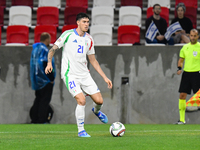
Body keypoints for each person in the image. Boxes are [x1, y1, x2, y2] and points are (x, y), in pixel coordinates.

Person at [45, 13, 112, 137]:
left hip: (85, 75)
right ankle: (81, 130)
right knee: (81, 100)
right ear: (78, 23)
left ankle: (96, 111)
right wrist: (49, 63)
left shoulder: (89, 39)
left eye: (88, 22)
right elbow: (53, 49)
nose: (87, 24)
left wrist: (105, 77)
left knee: (99, 101)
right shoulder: (68, 35)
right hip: (70, 75)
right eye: (84, 22)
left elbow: (93, 60)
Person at [175, 29, 200, 124]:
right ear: (189, 36)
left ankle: (193, 106)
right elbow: (181, 60)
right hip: (186, 74)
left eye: (195, 36)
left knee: (198, 97)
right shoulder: (185, 47)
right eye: (191, 36)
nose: (193, 38)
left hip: (197, 74)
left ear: (198, 36)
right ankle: (182, 120)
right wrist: (179, 68)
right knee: (182, 95)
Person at [30, 32, 56, 124]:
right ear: (47, 39)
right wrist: (51, 78)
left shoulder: (35, 49)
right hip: (45, 80)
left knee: (38, 99)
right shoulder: (44, 50)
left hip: (37, 80)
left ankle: (35, 119)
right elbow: (45, 63)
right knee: (44, 101)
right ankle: (42, 119)